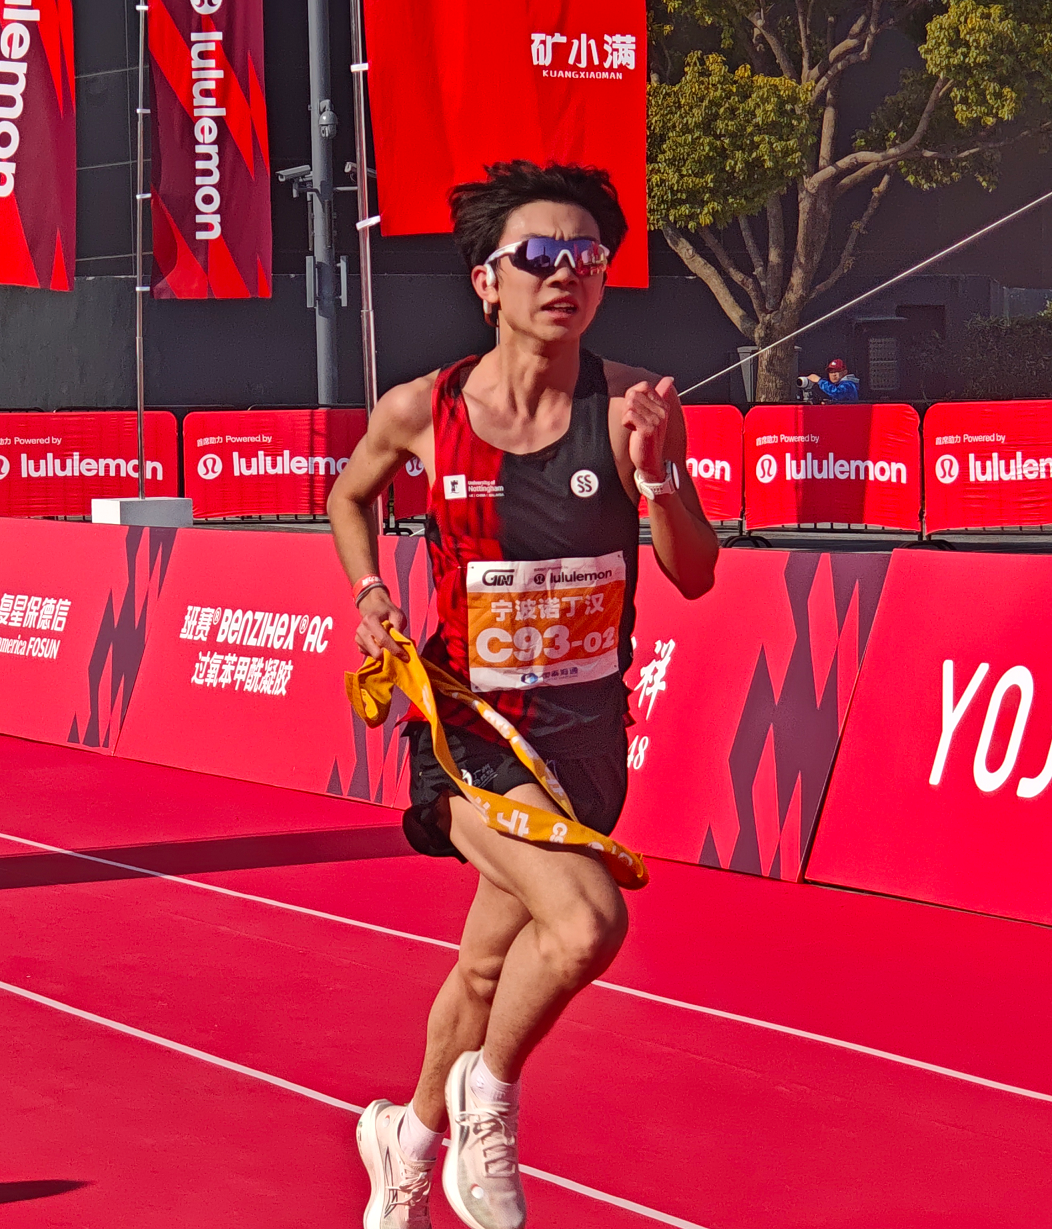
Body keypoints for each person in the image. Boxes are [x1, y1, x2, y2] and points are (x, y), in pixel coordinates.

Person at [326, 161, 720, 1229]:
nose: (565, 275)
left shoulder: (630, 405)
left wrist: (658, 470)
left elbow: (692, 572)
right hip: (468, 735)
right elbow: (348, 497)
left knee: (486, 964)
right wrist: (369, 594)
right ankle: (486, 1102)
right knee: (587, 923)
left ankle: (404, 1141)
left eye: (587, 257)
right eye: (538, 256)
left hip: (585, 744)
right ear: (486, 281)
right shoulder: (423, 408)